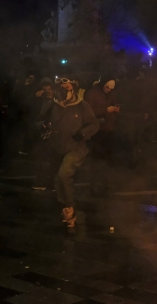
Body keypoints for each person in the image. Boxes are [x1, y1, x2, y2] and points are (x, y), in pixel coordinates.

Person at [39, 76, 99, 227]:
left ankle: (70, 207)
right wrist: (43, 125)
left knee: (63, 174)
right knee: (58, 180)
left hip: (75, 148)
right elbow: (38, 121)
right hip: (57, 148)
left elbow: (94, 124)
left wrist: (82, 134)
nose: (64, 91)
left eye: (67, 88)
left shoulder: (82, 106)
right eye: (62, 88)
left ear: (73, 89)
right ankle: (65, 210)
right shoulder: (51, 105)